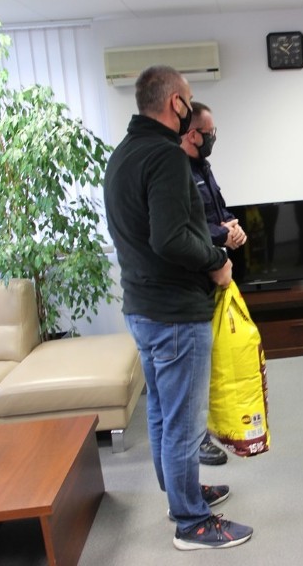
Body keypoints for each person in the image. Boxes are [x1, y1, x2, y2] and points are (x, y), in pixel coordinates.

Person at [103, 65, 253, 550]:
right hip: (173, 312)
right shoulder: (165, 157)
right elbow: (170, 238)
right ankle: (191, 523)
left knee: (165, 416)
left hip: (142, 306)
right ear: (174, 104)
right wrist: (217, 262)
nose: (190, 105)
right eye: (188, 98)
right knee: (185, 422)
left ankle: (180, 495)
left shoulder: (123, 154)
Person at [180, 101, 247, 466]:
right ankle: (198, 439)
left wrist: (231, 226)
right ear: (193, 135)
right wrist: (222, 234)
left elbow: (216, 212)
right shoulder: (177, 171)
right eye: (210, 133)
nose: (214, 138)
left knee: (209, 362)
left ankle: (206, 431)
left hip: (214, 270)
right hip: (195, 277)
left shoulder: (202, 166)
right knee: (194, 370)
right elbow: (188, 228)